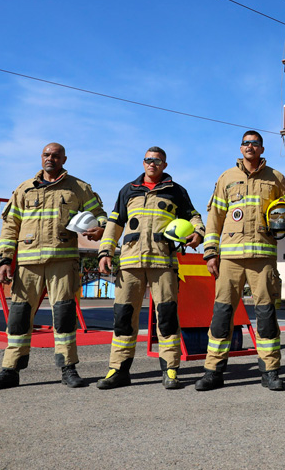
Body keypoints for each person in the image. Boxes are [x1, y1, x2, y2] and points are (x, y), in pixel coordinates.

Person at [0, 143, 106, 390]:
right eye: (46, 154)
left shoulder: (78, 188)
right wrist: (4, 260)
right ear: (41, 157)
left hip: (62, 262)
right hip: (28, 265)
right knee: (19, 317)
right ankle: (10, 370)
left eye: (55, 155)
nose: (50, 158)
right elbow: (10, 227)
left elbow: (100, 214)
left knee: (64, 316)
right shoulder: (24, 189)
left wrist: (101, 228)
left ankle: (68, 368)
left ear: (64, 159)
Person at [194, 131, 285, 392]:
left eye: (255, 143)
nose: (250, 146)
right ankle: (213, 371)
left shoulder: (276, 178)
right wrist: (210, 254)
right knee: (222, 315)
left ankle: (270, 371)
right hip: (230, 258)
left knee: (266, 315)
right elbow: (215, 217)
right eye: (246, 143)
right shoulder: (226, 178)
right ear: (241, 148)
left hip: (263, 257)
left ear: (262, 149)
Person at [95, 147, 205, 390]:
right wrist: (105, 252)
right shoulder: (128, 190)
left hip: (163, 262)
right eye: (148, 160)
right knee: (123, 317)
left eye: (156, 160)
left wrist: (198, 232)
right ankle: (118, 369)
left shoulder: (176, 191)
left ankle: (171, 370)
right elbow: (114, 224)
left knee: (166, 317)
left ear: (164, 165)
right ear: (143, 163)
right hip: (130, 262)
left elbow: (194, 217)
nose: (151, 163)